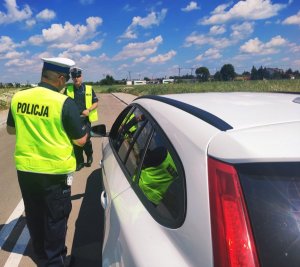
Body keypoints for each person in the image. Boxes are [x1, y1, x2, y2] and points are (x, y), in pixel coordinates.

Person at [6, 57, 87, 267]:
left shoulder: (18, 98)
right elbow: (79, 140)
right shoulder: (63, 103)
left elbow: (11, 130)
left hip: (26, 170)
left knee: (34, 213)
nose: (67, 83)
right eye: (66, 79)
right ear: (60, 78)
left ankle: (40, 253)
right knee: (55, 219)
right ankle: (54, 262)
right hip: (56, 174)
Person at [65, 67, 98, 171]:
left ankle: (89, 155)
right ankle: (79, 161)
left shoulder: (88, 89)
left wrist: (89, 110)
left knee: (85, 140)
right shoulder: (68, 89)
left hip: (85, 120)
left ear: (81, 76)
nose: (76, 79)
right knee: (75, 141)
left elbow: (96, 102)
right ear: (72, 78)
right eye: (74, 77)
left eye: (78, 76)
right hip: (74, 120)